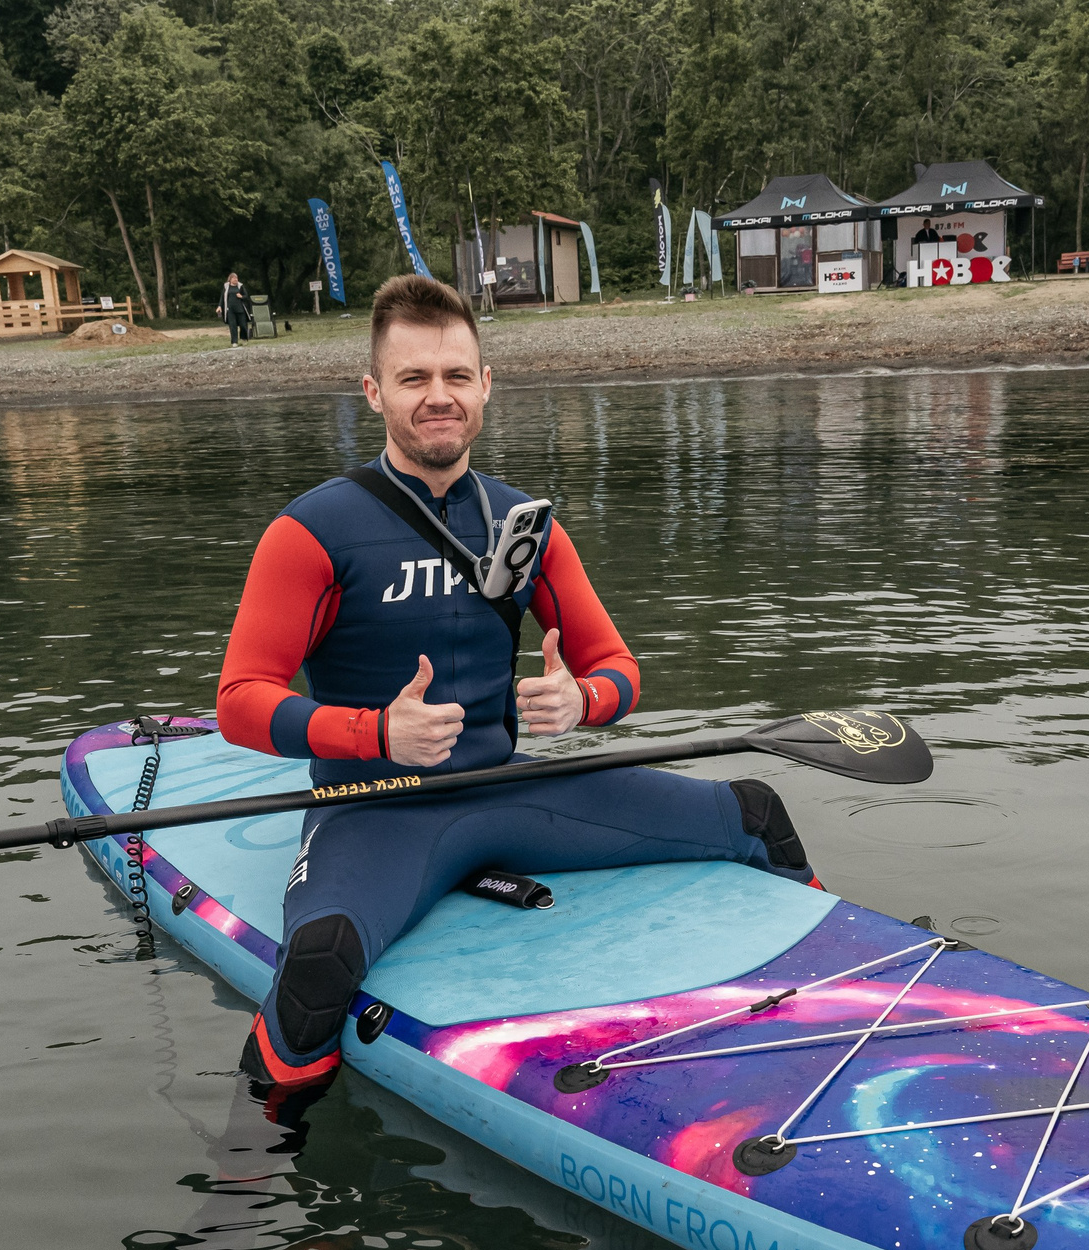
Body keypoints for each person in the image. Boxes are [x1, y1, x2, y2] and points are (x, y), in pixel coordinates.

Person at [214, 275, 820, 1129]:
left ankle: (837, 993)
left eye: (456, 376)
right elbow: (240, 702)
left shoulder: (522, 523)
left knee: (754, 813)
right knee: (320, 961)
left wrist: (584, 702)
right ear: (374, 392)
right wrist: (373, 729)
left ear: (486, 385)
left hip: (510, 787)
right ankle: (250, 1168)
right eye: (414, 378)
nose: (438, 397)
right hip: (373, 808)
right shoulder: (312, 531)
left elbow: (618, 667)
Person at [222, 272, 251, 346]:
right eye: (234, 278)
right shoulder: (226, 287)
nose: (236, 279)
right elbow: (222, 297)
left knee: (243, 325)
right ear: (230, 279)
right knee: (233, 326)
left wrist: (241, 296)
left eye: (237, 278)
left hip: (240, 309)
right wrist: (219, 306)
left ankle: (244, 339)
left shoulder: (240, 286)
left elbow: (246, 296)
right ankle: (234, 342)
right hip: (230, 310)